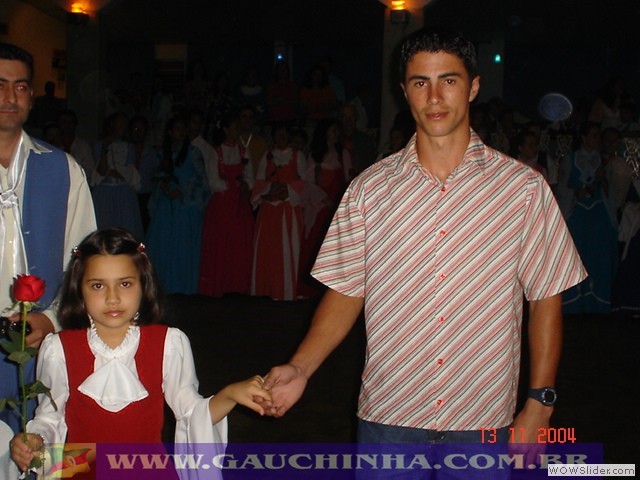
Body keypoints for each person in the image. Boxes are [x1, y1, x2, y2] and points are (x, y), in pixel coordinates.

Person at [260, 27, 586, 479]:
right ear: (404, 91)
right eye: (420, 82)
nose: (434, 97)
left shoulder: (523, 190)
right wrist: (300, 367)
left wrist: (540, 402)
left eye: (448, 80)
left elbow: (545, 297)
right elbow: (347, 292)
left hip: (482, 415)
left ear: (473, 86)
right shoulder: (369, 191)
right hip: (389, 415)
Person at [8, 228, 271, 474]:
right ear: (79, 290)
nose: (112, 298)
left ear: (144, 286)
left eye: (125, 284)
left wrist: (229, 395)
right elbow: (50, 418)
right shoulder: (59, 349)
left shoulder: (168, 344)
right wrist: (34, 441)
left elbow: (192, 414)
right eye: (98, 285)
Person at [0, 42, 96, 476]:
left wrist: (53, 318)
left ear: (32, 96)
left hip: (39, 343)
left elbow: (85, 262)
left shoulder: (63, 169)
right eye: (0, 85)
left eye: (20, 86)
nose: (10, 97)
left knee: (34, 455)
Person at [146, 114, 210, 294]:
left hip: (185, 207)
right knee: (164, 247)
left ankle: (182, 287)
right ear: (169, 132)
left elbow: (201, 179)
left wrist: (182, 190)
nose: (181, 132)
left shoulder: (194, 152)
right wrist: (164, 185)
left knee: (182, 249)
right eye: (178, 128)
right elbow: (156, 177)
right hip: (166, 206)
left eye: (184, 128)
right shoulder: (162, 153)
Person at [198, 113, 254, 297]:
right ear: (226, 130)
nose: (238, 131)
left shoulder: (244, 151)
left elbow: (250, 177)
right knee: (221, 245)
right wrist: (233, 184)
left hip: (239, 206)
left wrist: (245, 185)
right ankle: (219, 285)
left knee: (238, 247)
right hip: (222, 207)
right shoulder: (216, 152)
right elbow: (213, 181)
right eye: (235, 127)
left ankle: (237, 285)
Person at [251, 124, 306, 301]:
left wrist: (287, 190)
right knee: (268, 251)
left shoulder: (298, 156)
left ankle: (288, 291)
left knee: (288, 252)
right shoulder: (267, 156)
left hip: (288, 208)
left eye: (284, 133)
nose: (281, 137)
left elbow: (304, 182)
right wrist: (270, 189)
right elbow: (259, 181)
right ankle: (266, 290)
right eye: (278, 134)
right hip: (269, 210)